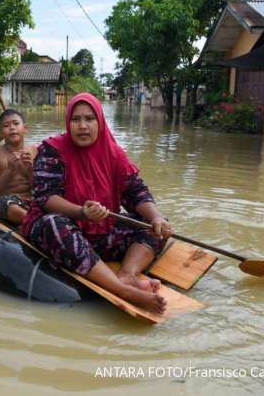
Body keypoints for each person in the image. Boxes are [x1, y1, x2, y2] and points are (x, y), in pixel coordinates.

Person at [21, 93, 173, 314]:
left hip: (101, 232)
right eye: (76, 119)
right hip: (63, 230)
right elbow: (46, 198)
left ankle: (127, 275)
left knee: (154, 224)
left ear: (100, 121)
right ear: (68, 122)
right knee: (53, 223)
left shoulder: (115, 154)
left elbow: (136, 192)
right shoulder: (52, 150)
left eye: (89, 119)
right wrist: (82, 212)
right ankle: (123, 290)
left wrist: (156, 218)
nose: (83, 126)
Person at [0, 109, 37, 225]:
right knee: (7, 205)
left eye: (16, 123)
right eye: (6, 126)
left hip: (31, 201)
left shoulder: (34, 151)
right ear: (0, 133)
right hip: (8, 203)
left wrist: (31, 170)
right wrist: (10, 170)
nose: (12, 128)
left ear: (26, 128)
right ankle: (36, 223)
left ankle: (32, 221)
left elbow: (38, 188)